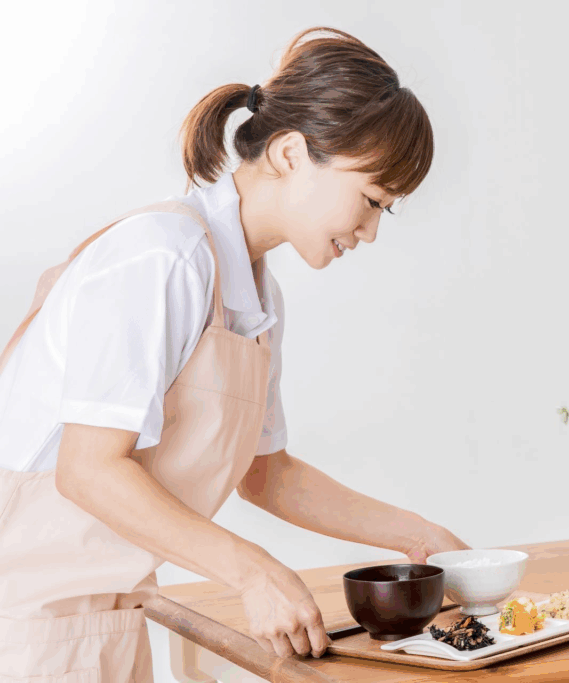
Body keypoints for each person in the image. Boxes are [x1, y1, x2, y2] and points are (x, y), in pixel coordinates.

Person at [0, 26, 468, 681]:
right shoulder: (164, 256)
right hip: (24, 627)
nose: (368, 231)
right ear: (290, 152)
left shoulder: (252, 293)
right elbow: (88, 469)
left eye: (384, 211)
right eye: (369, 199)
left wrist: (420, 536)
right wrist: (253, 571)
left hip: (106, 618)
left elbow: (265, 472)